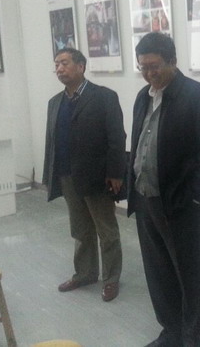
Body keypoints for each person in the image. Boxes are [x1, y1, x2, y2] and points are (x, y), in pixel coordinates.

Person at [127, 32, 200, 347]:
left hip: (179, 203)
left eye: (154, 66)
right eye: (143, 67)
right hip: (145, 199)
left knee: (191, 276)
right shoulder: (142, 97)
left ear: (173, 61)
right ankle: (172, 331)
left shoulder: (198, 96)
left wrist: (194, 195)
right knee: (158, 272)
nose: (149, 73)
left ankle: (196, 339)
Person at [43, 47, 126, 302]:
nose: (59, 69)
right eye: (56, 64)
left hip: (97, 176)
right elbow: (51, 142)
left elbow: (117, 137)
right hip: (67, 175)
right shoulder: (55, 102)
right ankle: (85, 273)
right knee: (80, 229)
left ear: (81, 66)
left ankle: (111, 279)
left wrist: (115, 172)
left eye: (64, 63)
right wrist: (51, 174)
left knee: (106, 230)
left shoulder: (104, 97)